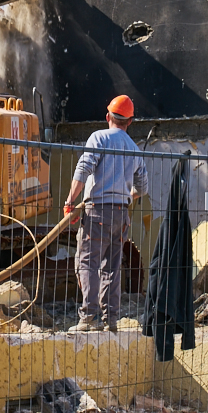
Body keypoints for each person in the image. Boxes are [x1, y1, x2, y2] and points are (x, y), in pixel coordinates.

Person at [63, 94, 149, 332]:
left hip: (97, 210)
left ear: (108, 116)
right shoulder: (134, 148)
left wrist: (70, 201)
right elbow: (143, 187)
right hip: (121, 215)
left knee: (87, 262)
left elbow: (84, 168)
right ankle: (110, 320)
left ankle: (88, 317)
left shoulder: (99, 137)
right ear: (129, 122)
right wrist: (125, 196)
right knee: (112, 266)